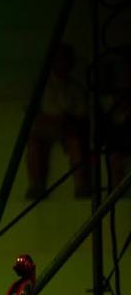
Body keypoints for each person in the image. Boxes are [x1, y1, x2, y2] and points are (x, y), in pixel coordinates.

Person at [26, 44, 90, 198]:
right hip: (46, 128)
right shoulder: (41, 86)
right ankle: (36, 186)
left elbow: (82, 113)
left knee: (76, 144)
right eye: (58, 60)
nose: (62, 64)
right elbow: (32, 112)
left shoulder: (76, 88)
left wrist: (66, 120)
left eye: (65, 61)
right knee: (34, 144)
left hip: (68, 128)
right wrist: (52, 119)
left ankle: (81, 186)